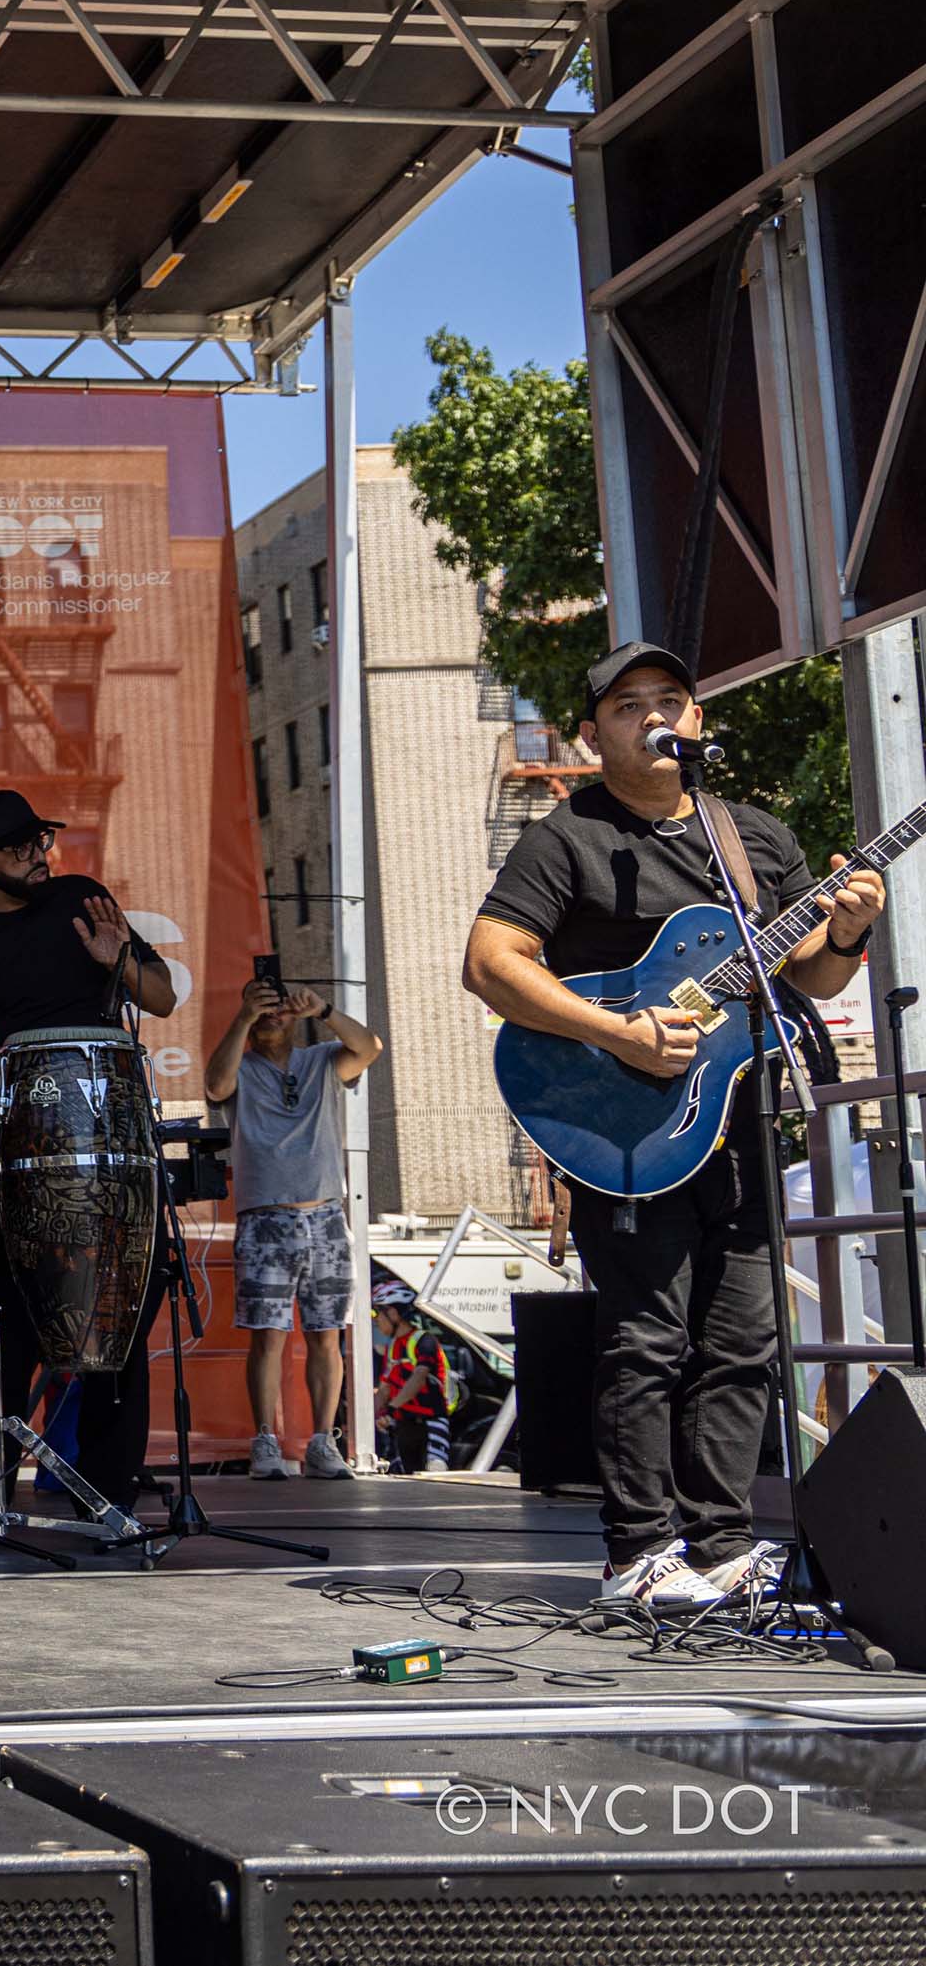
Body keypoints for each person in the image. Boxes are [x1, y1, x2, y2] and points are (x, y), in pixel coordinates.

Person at [465, 640, 885, 1610]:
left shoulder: (756, 842)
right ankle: (640, 1551)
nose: (656, 715)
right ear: (593, 733)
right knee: (647, 1339)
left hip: (739, 1124)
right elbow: (491, 963)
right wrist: (619, 1029)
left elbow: (807, 975)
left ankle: (726, 1544)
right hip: (623, 1130)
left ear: (697, 722)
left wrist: (851, 928)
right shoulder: (567, 840)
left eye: (672, 699)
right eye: (629, 705)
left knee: (742, 1340)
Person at [0, 788, 179, 1508]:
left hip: (103, 1147)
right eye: (21, 847)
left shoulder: (81, 902)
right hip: (11, 1160)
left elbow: (161, 997)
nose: (40, 855)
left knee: (112, 1320)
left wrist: (115, 955)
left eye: (42, 842)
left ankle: (107, 1493)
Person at [205, 975, 383, 1482]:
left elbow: (369, 1047)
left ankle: (323, 1442)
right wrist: (243, 1016)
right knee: (268, 1337)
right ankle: (265, 1441)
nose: (272, 1016)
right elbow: (216, 1086)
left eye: (279, 1007)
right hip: (265, 1216)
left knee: (328, 1335)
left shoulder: (322, 1059)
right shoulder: (240, 1062)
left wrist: (322, 1008)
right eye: (262, 1008)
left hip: (325, 1214)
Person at [372, 1277, 453, 1476]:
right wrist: (371, 1416)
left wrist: (390, 1408)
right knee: (405, 1475)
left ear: (393, 1312)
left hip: (431, 1421)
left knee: (435, 1471)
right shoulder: (392, 1347)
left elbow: (419, 1378)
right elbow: (385, 1388)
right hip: (403, 1422)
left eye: (377, 1314)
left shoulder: (424, 1340)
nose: (375, 1320)